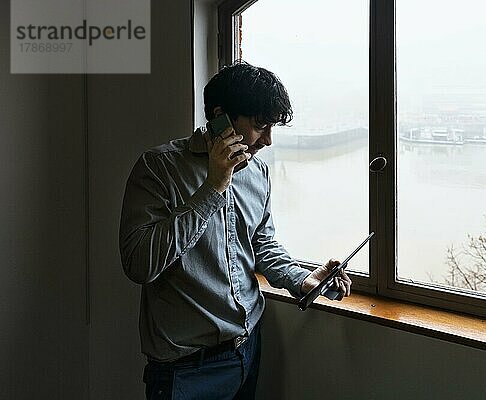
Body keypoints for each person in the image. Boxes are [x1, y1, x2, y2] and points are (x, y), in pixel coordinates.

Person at [119, 61, 353, 400]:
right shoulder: (159, 168)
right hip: (186, 370)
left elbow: (262, 245)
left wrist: (302, 280)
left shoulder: (257, 172)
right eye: (260, 126)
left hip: (247, 349)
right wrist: (213, 187)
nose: (268, 140)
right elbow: (139, 265)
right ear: (221, 117)